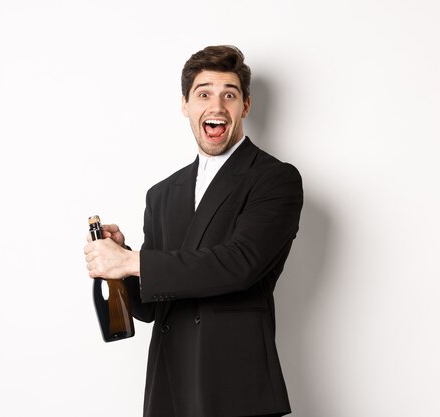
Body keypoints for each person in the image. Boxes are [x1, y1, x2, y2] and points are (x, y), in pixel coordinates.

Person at [84, 45, 303, 417]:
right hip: (170, 387)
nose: (216, 106)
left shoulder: (274, 178)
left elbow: (239, 264)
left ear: (245, 107)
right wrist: (120, 261)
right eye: (203, 94)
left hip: (235, 385)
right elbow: (151, 308)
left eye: (229, 95)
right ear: (185, 104)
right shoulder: (162, 193)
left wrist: (133, 261)